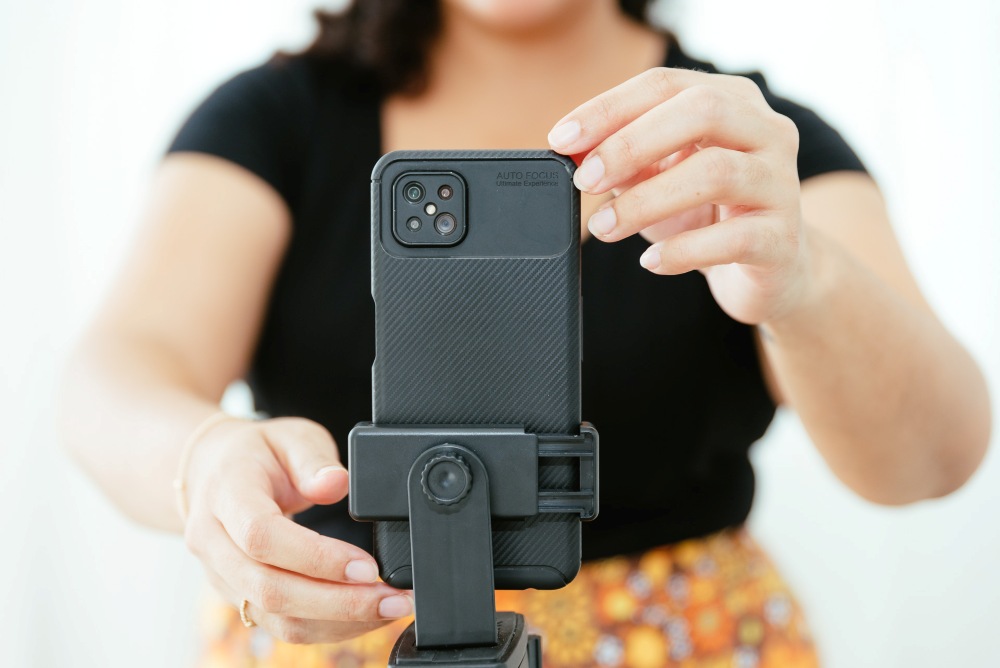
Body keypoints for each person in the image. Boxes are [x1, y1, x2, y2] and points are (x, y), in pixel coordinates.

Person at [59, 0, 990, 666]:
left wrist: (806, 278)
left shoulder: (753, 144)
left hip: (692, 645)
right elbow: (120, 368)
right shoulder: (273, 119)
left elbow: (932, 458)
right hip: (340, 640)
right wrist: (205, 457)